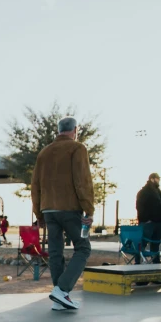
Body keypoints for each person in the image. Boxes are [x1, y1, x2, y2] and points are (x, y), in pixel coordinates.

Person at [31, 116, 94, 311]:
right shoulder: (77, 148)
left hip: (48, 209)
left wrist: (39, 213)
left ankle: (61, 296)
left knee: (56, 252)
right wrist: (89, 208)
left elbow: (35, 186)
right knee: (83, 248)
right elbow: (82, 181)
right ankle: (62, 289)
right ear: (75, 130)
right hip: (69, 208)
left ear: (58, 130)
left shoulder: (44, 152)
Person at [135, 173, 161, 264]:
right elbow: (139, 206)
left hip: (158, 222)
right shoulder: (144, 191)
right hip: (148, 222)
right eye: (157, 179)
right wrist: (145, 219)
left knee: (156, 243)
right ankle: (138, 261)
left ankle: (156, 261)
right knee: (142, 242)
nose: (159, 181)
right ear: (152, 179)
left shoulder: (158, 191)